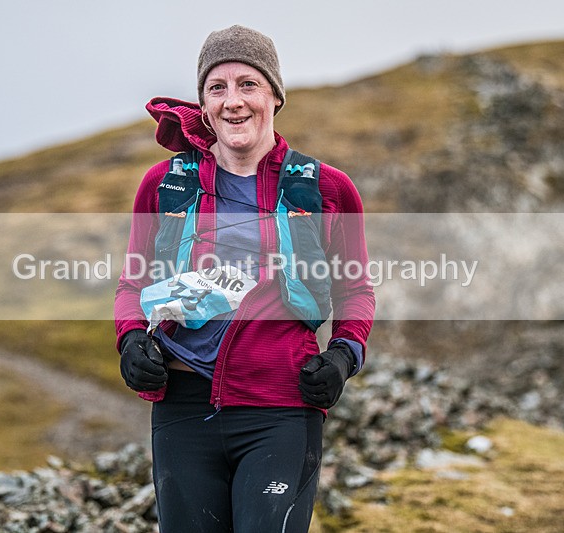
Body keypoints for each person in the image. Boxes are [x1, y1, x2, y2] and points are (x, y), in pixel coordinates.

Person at [114, 25, 375, 532]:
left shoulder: (326, 188)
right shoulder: (166, 184)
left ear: (275, 96)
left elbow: (356, 290)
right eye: (218, 87)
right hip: (183, 410)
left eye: (248, 84)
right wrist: (128, 340)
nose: (233, 101)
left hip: (281, 407)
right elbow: (133, 285)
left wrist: (344, 356)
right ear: (204, 104)